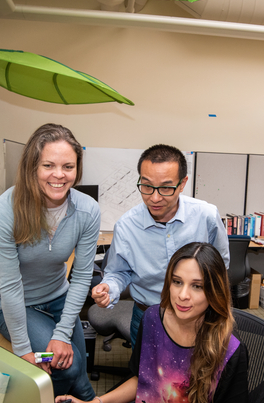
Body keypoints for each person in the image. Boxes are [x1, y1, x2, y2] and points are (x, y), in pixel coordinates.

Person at [59, 242, 249, 403]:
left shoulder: (229, 352)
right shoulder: (152, 317)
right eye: (177, 282)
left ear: (214, 291)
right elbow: (142, 380)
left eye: (197, 286)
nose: (183, 295)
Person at [0, 123, 98, 400]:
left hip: (58, 297)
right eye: (48, 165)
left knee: (76, 361)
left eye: (68, 167)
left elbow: (82, 276)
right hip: (14, 303)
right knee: (69, 370)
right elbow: (11, 286)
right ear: (32, 167)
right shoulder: (5, 211)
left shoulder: (87, 211)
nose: (59, 175)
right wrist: (23, 351)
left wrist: (61, 334)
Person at [91, 144, 229, 345]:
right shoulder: (127, 225)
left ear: (182, 184)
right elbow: (120, 272)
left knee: (201, 374)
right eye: (147, 186)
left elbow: (220, 266)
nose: (154, 198)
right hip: (148, 315)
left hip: (199, 317)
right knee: (145, 375)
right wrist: (108, 289)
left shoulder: (206, 216)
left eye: (166, 188)